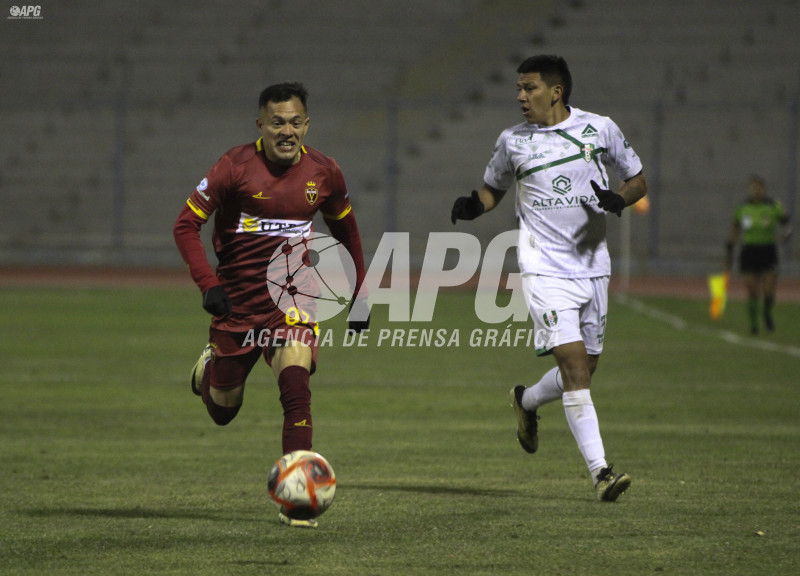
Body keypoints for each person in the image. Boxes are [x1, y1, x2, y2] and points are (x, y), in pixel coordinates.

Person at [451, 55, 647, 502]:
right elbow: (493, 188)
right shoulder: (512, 141)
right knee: (576, 367)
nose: (521, 96)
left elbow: (636, 179)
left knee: (584, 370)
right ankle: (601, 473)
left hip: (594, 267)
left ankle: (525, 401)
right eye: (519, 88)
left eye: (530, 88)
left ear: (556, 92)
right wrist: (474, 205)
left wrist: (619, 200)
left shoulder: (600, 129)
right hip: (543, 270)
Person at [173, 82, 368, 527]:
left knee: (296, 388)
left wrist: (361, 291)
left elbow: (348, 231)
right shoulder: (233, 167)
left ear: (306, 125)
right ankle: (209, 370)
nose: (287, 131)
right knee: (224, 410)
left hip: (293, 300)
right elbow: (185, 226)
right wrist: (207, 284)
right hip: (237, 306)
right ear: (260, 125)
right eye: (277, 122)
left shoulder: (325, 172)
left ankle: (298, 500)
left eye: (295, 122)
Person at [726, 175, 791, 334]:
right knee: (752, 290)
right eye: (753, 188)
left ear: (764, 189)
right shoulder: (742, 208)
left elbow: (787, 224)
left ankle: (767, 311)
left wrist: (786, 234)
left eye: (759, 188)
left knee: (769, 290)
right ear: (749, 190)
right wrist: (730, 246)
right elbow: (736, 228)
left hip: (768, 251)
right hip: (749, 251)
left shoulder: (773, 206)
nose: (756, 191)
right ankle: (754, 325)